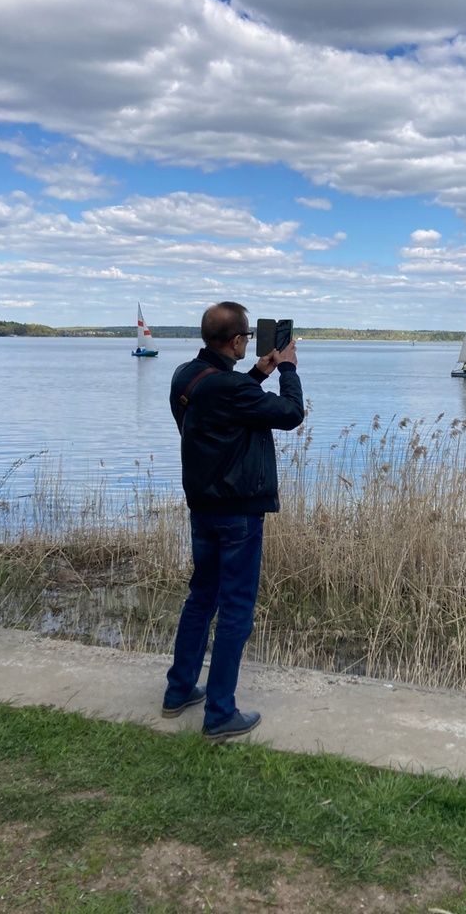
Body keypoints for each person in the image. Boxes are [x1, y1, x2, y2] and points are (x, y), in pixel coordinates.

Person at [162, 301, 304, 742]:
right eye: (246, 337)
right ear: (238, 340)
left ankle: (179, 690)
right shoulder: (228, 388)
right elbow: (291, 414)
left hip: (202, 508)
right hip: (238, 511)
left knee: (201, 598)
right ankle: (220, 713)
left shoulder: (186, 376)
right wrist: (288, 370)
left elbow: (224, 399)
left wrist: (258, 373)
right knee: (237, 609)